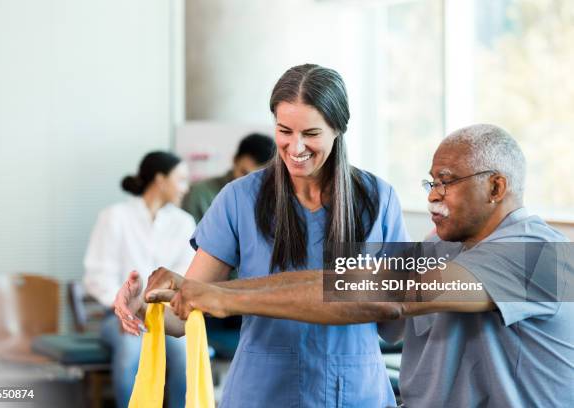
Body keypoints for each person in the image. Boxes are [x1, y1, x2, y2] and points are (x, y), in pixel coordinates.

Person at [151, 124, 574, 408]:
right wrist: (188, 290)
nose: (432, 196)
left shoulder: (543, 259)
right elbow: (346, 279)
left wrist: (225, 297)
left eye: (446, 182)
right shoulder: (438, 249)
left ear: (496, 186)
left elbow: (388, 296)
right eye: (431, 183)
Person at [114, 64, 410, 407]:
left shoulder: (377, 200)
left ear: (338, 129)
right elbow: (185, 312)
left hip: (355, 391)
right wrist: (142, 306)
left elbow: (394, 324)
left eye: (311, 133)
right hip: (264, 390)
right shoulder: (239, 199)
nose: (295, 147)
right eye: (284, 130)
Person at [83, 151, 195, 408]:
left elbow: (184, 277)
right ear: (160, 180)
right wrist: (126, 308)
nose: (186, 188)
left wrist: (154, 307)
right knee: (131, 351)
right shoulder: (114, 217)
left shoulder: (184, 222)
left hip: (166, 316)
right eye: (181, 180)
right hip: (119, 317)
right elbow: (97, 275)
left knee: (184, 353)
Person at [182, 132, 275, 223]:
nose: (249, 181)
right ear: (234, 160)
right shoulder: (200, 193)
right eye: (244, 173)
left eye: (258, 177)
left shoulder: (274, 199)